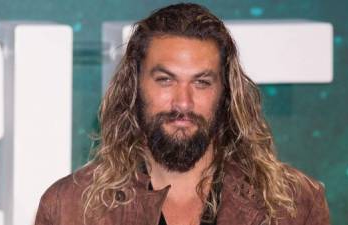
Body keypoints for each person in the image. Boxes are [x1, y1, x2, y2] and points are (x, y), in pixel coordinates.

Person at [35, 3, 330, 225]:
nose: (183, 103)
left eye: (201, 82)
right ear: (134, 87)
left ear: (225, 93)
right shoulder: (70, 207)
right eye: (165, 80)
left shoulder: (294, 203)